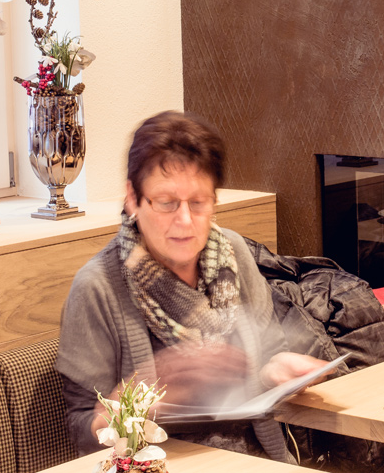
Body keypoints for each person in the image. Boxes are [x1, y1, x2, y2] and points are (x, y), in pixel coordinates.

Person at [56, 111, 328, 463]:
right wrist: (145, 400)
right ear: (132, 199)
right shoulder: (98, 288)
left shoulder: (233, 254)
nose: (184, 221)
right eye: (167, 203)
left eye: (198, 203)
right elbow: (81, 433)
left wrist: (275, 371)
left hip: (258, 459)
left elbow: (268, 352)